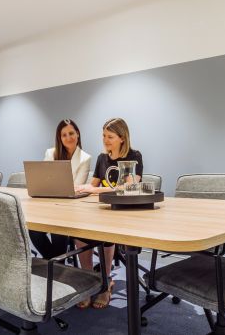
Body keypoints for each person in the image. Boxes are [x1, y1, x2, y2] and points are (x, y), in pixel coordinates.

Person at [75, 117, 143, 309]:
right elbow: (93, 185)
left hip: (123, 211)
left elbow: (128, 187)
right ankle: (89, 281)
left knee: (105, 236)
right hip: (101, 209)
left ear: (122, 138)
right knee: (80, 232)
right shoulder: (102, 158)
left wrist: (96, 191)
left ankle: (105, 283)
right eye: (104, 136)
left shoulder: (134, 156)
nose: (105, 140)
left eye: (110, 136)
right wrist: (79, 187)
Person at [29, 119, 91, 259]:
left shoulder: (85, 158)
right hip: (48, 205)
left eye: (71, 133)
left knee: (58, 230)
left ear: (78, 134)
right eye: (64, 135)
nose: (68, 138)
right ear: (59, 137)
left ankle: (56, 266)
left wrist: (55, 187)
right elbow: (44, 180)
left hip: (70, 208)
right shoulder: (51, 153)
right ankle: (56, 263)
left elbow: (77, 187)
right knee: (33, 229)